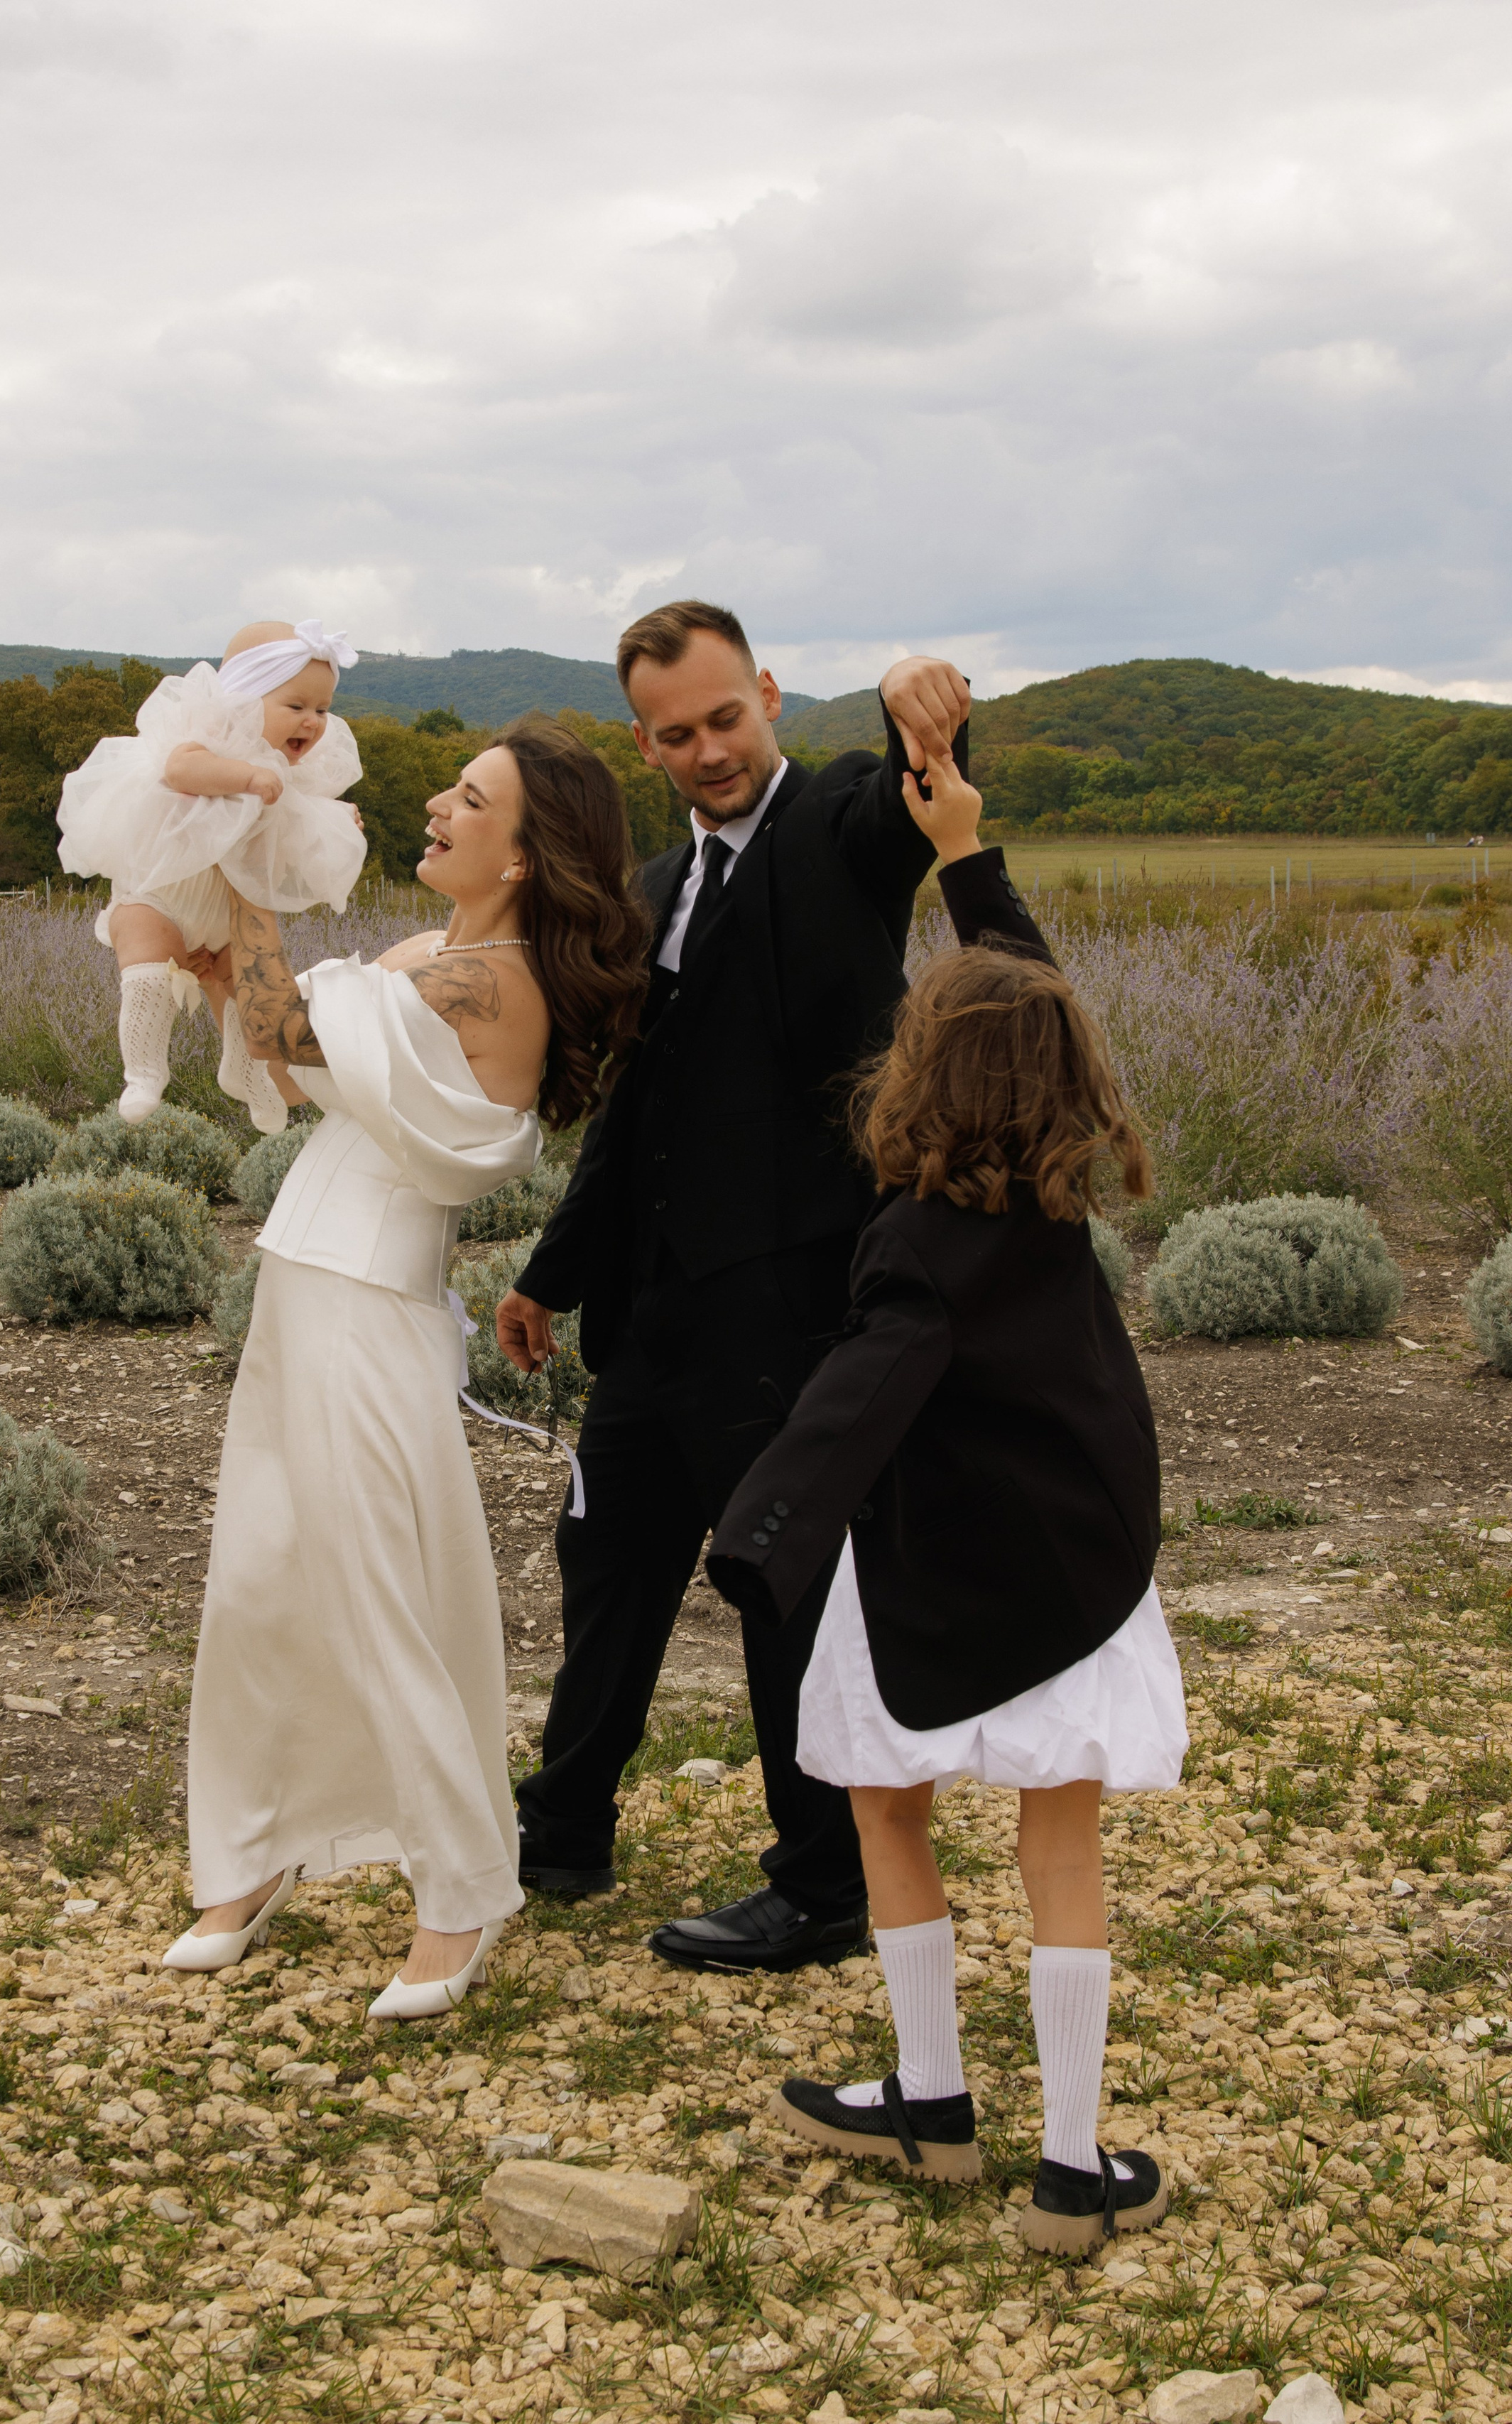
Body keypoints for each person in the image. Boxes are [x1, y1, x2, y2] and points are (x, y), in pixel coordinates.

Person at [499, 599, 1047, 1975]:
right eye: (675, 733)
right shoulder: (653, 889)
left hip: (798, 1308)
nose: (706, 750)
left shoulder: (843, 832)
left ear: (770, 697)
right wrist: (553, 1273)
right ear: (645, 741)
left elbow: (907, 786)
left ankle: (819, 1885)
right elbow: (634, 1110)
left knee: (784, 1594)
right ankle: (561, 1829)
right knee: (606, 1565)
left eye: (725, 718)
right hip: (657, 1309)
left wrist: (925, 697)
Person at [705, 757, 1185, 2258]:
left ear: (910, 1077)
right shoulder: (1056, 1203)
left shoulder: (910, 1241)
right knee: (1059, 1841)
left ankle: (930, 2096)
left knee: (883, 1800)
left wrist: (754, 1533)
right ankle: (1064, 2164)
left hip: (922, 1560)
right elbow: (1024, 991)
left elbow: (855, 1394)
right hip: (1072, 1562)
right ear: (1064, 1083)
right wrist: (967, 859)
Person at [164, 716, 647, 2018]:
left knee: (381, 1595)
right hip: (306, 1283)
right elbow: (291, 1049)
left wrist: (250, 845)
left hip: (371, 1305)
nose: (437, 804)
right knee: (263, 1575)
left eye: (469, 797)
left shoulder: (489, 983)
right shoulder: (435, 956)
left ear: (529, 851)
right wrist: (217, 952)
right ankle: (252, 1851)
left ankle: (460, 1890)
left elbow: (287, 1017)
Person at [55, 618, 366, 1137]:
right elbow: (180, 770)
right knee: (148, 961)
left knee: (244, 991)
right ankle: (145, 1070)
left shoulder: (292, 776)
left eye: (323, 710)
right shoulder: (209, 739)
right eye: (296, 706)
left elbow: (297, 826)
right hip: (162, 896)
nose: (312, 722)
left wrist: (337, 818)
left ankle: (248, 1076)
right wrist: (246, 777)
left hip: (224, 916)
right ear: (244, 700)